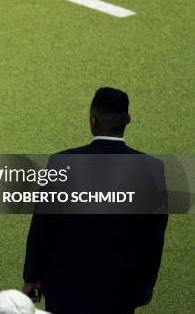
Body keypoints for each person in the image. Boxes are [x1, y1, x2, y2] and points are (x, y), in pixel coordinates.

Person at [22, 87, 168, 314]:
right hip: (120, 291)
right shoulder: (151, 169)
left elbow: (42, 226)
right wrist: (147, 285)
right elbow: (153, 238)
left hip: (64, 288)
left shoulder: (61, 163)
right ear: (128, 119)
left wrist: (32, 277)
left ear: (92, 120)